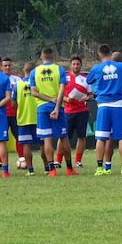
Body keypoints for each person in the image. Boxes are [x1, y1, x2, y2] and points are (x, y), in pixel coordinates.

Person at [86, 43, 122, 176]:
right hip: (119, 105)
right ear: (111, 53)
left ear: (99, 55)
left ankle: (100, 168)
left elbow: (89, 80)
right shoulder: (121, 67)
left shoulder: (97, 68)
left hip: (103, 106)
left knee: (101, 137)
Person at [29, 47, 75, 176]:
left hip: (42, 108)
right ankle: (70, 169)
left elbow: (34, 92)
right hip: (58, 108)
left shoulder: (34, 72)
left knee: (47, 140)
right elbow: (62, 91)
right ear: (53, 56)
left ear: (41, 57)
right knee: (63, 137)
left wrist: (48, 99)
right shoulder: (59, 70)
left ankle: (52, 170)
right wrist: (56, 105)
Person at [14, 62, 44, 176]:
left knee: (26, 145)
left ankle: (30, 170)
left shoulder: (18, 85)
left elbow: (13, 103)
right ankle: (47, 168)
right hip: (38, 118)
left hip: (23, 119)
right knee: (42, 144)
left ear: (23, 70)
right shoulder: (38, 84)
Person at [63, 55, 91, 168]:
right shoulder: (64, 78)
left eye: (78, 64)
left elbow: (91, 94)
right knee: (64, 137)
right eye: (74, 64)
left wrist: (88, 98)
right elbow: (58, 95)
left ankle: (78, 161)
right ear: (70, 65)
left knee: (81, 136)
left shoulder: (86, 79)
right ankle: (59, 160)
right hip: (68, 111)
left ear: (81, 65)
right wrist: (66, 99)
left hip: (82, 111)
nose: (76, 66)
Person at [1, 57, 25, 169]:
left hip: (16, 113)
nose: (7, 67)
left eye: (9, 65)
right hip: (2, 113)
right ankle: (0, 162)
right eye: (5, 65)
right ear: (1, 66)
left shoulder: (17, 79)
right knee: (1, 138)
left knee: (18, 137)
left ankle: (21, 158)